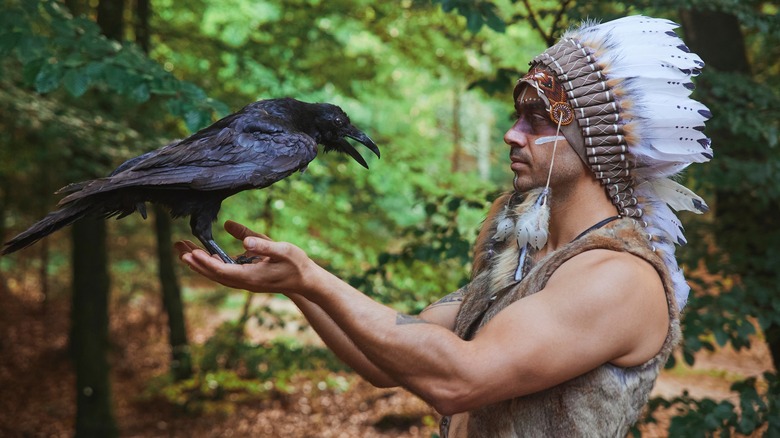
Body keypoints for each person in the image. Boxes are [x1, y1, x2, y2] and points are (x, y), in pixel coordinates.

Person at [177, 15, 712, 437]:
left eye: (537, 119)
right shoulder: (526, 260)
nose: (511, 134)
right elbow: (387, 358)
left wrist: (312, 279)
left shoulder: (616, 277)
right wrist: (298, 281)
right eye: (516, 115)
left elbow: (460, 378)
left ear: (595, 139)